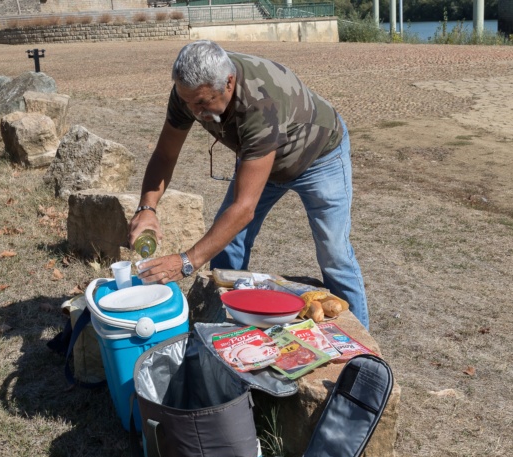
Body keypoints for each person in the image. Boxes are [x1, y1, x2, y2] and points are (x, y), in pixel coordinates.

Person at [128, 40, 370, 329]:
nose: (194, 111)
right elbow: (166, 153)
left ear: (229, 82)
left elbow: (244, 209)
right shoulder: (190, 91)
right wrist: (147, 207)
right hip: (260, 156)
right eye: (188, 102)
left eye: (203, 103)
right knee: (228, 250)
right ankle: (227, 330)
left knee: (334, 254)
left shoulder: (259, 101)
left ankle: (363, 352)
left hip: (320, 157)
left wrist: (186, 262)